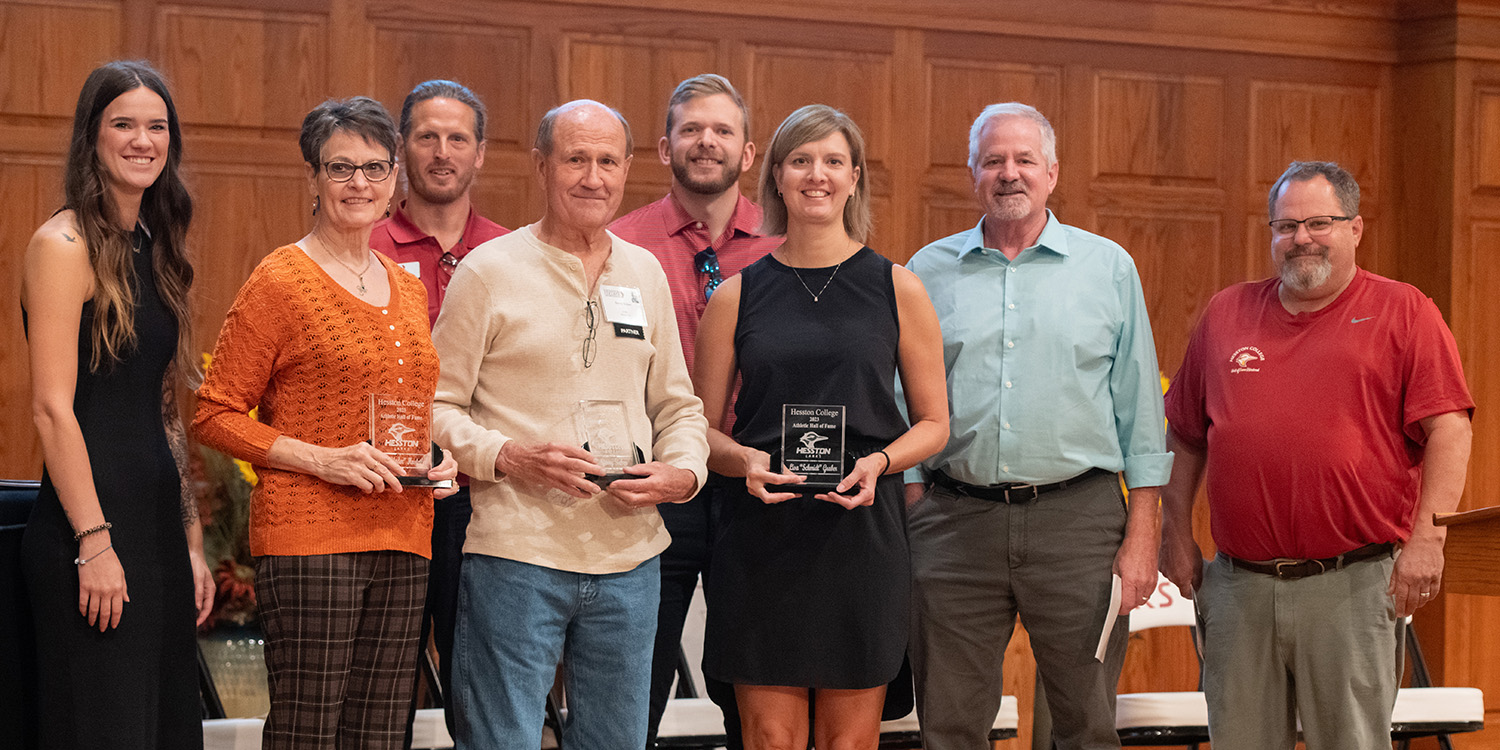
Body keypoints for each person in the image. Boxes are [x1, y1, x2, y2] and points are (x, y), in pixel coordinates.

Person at [1159, 160, 1474, 750]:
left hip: (1353, 585)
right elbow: (1182, 435)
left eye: (1319, 222)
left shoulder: (1406, 312)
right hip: (1239, 586)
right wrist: (1174, 529)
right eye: (1286, 225)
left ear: (1356, 229)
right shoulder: (1226, 313)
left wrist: (1428, 539)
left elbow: (1450, 430)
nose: (1301, 237)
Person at [430, 100, 708, 750]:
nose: (592, 176)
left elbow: (679, 406)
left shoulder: (644, 273)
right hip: (515, 558)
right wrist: (508, 456)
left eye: (606, 161)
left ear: (626, 169)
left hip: (631, 559)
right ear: (541, 166)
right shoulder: (489, 271)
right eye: (575, 159)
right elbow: (434, 407)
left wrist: (684, 472)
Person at [902, 102, 1171, 750]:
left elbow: (1140, 410)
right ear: (973, 174)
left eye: (1024, 159)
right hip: (954, 524)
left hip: (1079, 522)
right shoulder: (925, 272)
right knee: (950, 723)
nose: (1009, 173)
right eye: (993, 159)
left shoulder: (1108, 268)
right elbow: (900, 399)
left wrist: (1144, 536)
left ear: (1052, 172)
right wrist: (914, 500)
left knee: (1083, 723)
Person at [194, 96, 459, 750]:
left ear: (396, 176)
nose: (359, 184)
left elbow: (398, 406)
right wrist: (324, 459)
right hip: (311, 536)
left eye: (374, 167)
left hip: (404, 533)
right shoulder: (282, 279)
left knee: (377, 735)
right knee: (308, 734)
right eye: (341, 168)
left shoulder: (406, 286)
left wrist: (434, 458)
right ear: (313, 177)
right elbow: (215, 412)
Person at [694, 103, 949, 750]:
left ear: (855, 177)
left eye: (833, 161)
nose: (817, 175)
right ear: (775, 177)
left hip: (860, 530)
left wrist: (881, 463)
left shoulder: (898, 288)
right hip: (761, 535)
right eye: (801, 161)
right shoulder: (736, 295)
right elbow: (697, 430)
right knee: (770, 740)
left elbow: (934, 424)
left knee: (848, 742)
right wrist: (744, 462)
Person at [20, 58, 213, 750]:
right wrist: (93, 542)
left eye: (157, 126)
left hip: (156, 535)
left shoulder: (153, 246)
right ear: (91, 138)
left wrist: (190, 541)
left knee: (163, 733)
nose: (143, 140)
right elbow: (52, 409)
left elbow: (162, 406)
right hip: (90, 532)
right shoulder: (62, 244)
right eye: (123, 123)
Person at [609, 73, 779, 748]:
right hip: (654, 485)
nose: (705, 142)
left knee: (753, 683)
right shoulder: (620, 243)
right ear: (664, 146)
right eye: (690, 129)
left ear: (747, 153)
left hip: (754, 482)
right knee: (634, 674)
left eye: (722, 131)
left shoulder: (786, 242)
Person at [368, 79, 509, 742]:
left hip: (485, 499)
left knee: (482, 688)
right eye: (427, 136)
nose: (442, 152)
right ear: (401, 148)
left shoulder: (515, 254)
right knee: (381, 686)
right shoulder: (362, 247)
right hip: (384, 494)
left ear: (480, 153)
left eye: (458, 139)